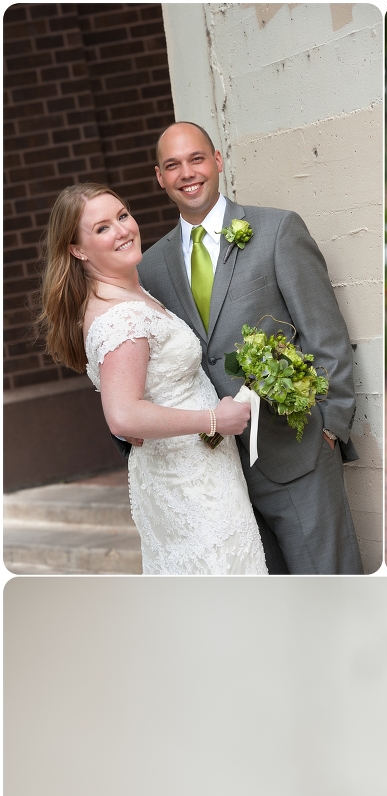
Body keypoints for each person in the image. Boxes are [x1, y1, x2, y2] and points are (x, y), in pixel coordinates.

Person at [138, 121, 363, 575]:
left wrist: (331, 427)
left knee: (331, 592)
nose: (187, 173)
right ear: (160, 177)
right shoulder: (150, 267)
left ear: (218, 161)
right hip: (216, 477)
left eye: (196, 159)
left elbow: (325, 334)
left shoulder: (277, 230)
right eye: (173, 165)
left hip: (297, 455)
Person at [39, 182, 267, 576]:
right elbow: (123, 415)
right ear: (77, 250)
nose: (122, 230)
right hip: (189, 486)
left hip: (197, 472)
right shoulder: (122, 317)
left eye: (122, 216)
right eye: (102, 228)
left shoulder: (131, 294)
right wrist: (215, 419)